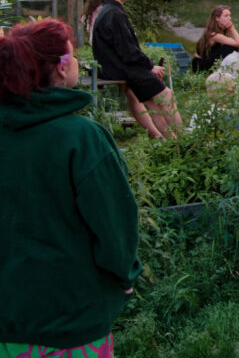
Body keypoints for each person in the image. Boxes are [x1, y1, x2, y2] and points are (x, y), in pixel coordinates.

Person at [0, 18, 141, 356]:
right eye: (74, 55)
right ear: (62, 68)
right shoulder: (81, 138)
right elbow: (115, 226)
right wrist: (125, 275)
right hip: (71, 319)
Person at [90, 0, 183, 139]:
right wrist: (149, 66)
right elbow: (128, 51)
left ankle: (171, 143)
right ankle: (186, 140)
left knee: (152, 103)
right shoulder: (114, 14)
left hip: (115, 67)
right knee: (166, 96)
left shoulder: (109, 11)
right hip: (123, 69)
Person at [193, 4, 239, 73]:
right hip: (200, 65)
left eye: (229, 15)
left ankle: (233, 69)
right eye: (226, 16)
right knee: (232, 47)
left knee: (233, 47)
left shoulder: (221, 31)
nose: (229, 18)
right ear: (217, 18)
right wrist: (232, 29)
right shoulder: (214, 34)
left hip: (208, 60)